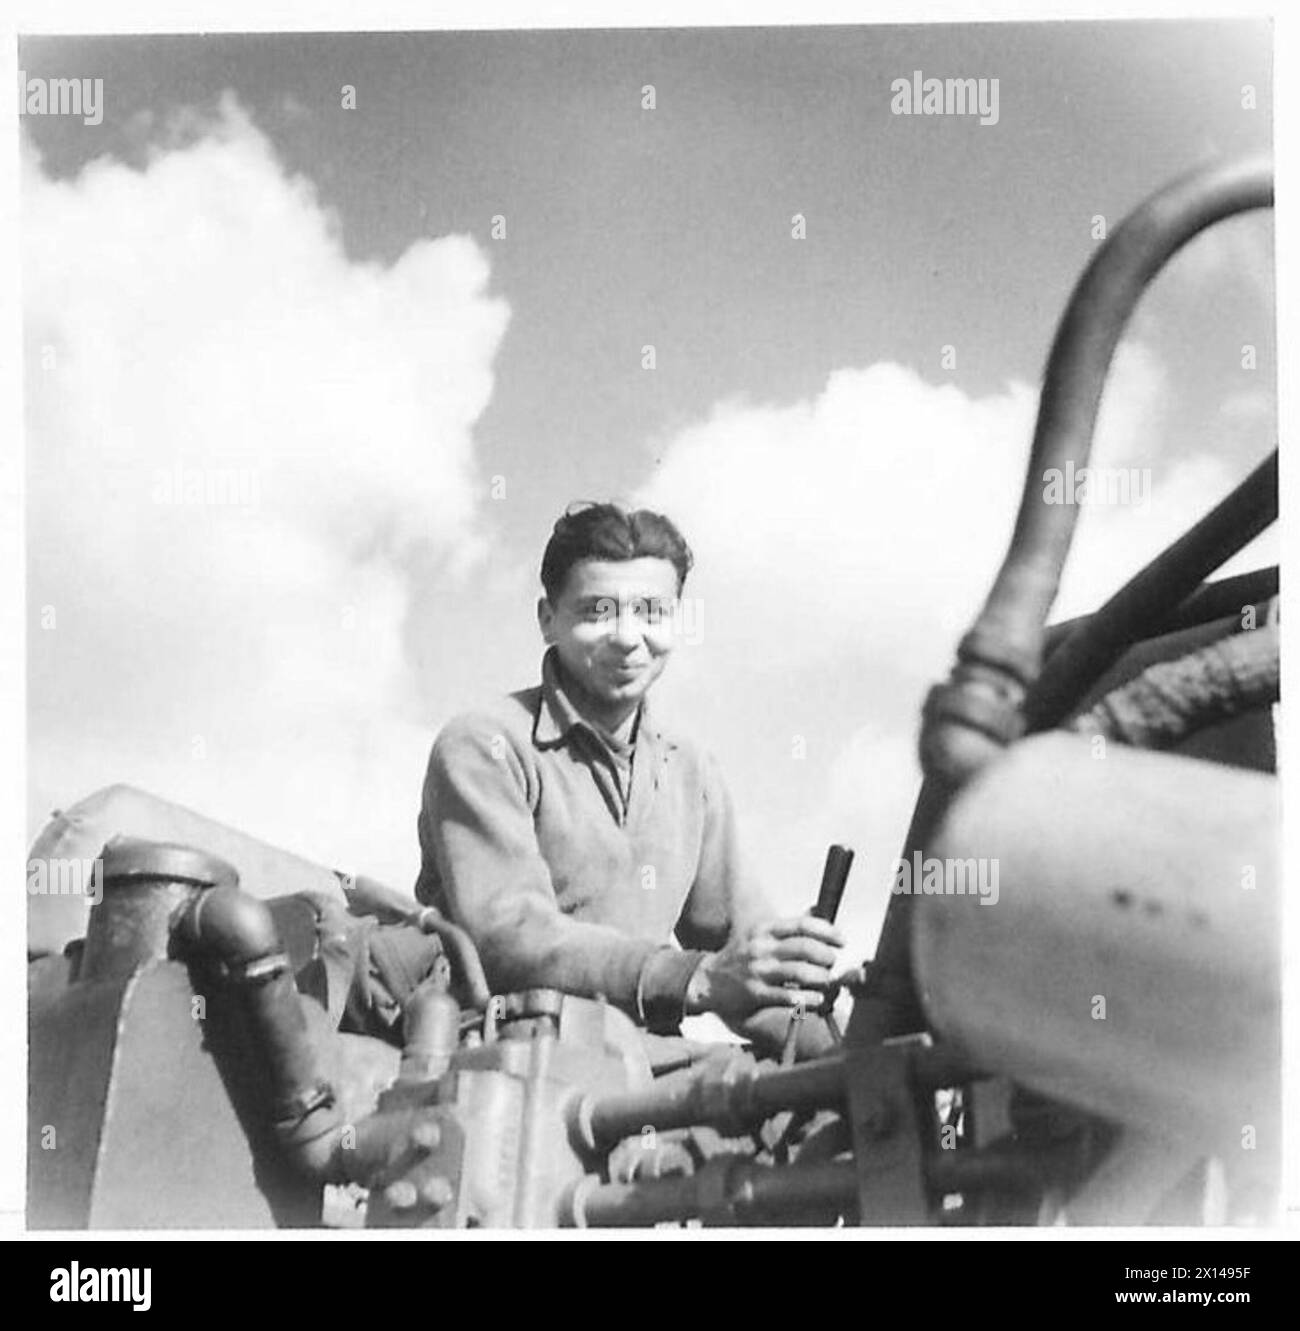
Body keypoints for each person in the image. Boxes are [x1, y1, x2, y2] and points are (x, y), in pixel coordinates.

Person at [415, 502, 844, 1054]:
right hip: (504, 1059)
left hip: (642, 1069)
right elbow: (511, 939)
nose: (627, 636)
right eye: (597, 610)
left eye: (651, 611)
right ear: (548, 619)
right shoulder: (486, 744)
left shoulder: (691, 772)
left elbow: (747, 955)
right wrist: (700, 979)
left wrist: (854, 1050)